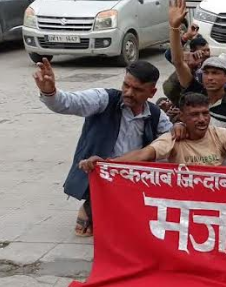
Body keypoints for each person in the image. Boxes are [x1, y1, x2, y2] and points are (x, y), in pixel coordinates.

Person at [35, 58, 172, 236]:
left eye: (137, 89)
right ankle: (90, 204)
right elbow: (68, 102)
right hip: (99, 172)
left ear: (152, 92)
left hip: (134, 176)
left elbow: (171, 138)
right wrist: (50, 91)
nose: (128, 92)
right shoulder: (103, 99)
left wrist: (180, 127)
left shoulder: (155, 114)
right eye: (126, 85)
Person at [80, 93, 226, 170]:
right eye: (194, 115)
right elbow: (144, 154)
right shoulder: (173, 137)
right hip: (185, 196)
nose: (202, 119)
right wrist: (106, 163)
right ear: (182, 117)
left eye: (205, 113)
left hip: (221, 195)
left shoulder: (221, 134)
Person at [168, 1, 226, 132]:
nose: (209, 77)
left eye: (215, 73)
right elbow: (178, 62)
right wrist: (174, 28)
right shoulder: (194, 91)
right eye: (206, 73)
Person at [163, 35, 210, 105]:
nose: (206, 53)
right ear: (192, 52)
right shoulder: (185, 65)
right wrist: (184, 38)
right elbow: (170, 54)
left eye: (208, 50)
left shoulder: (213, 64)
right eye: (202, 51)